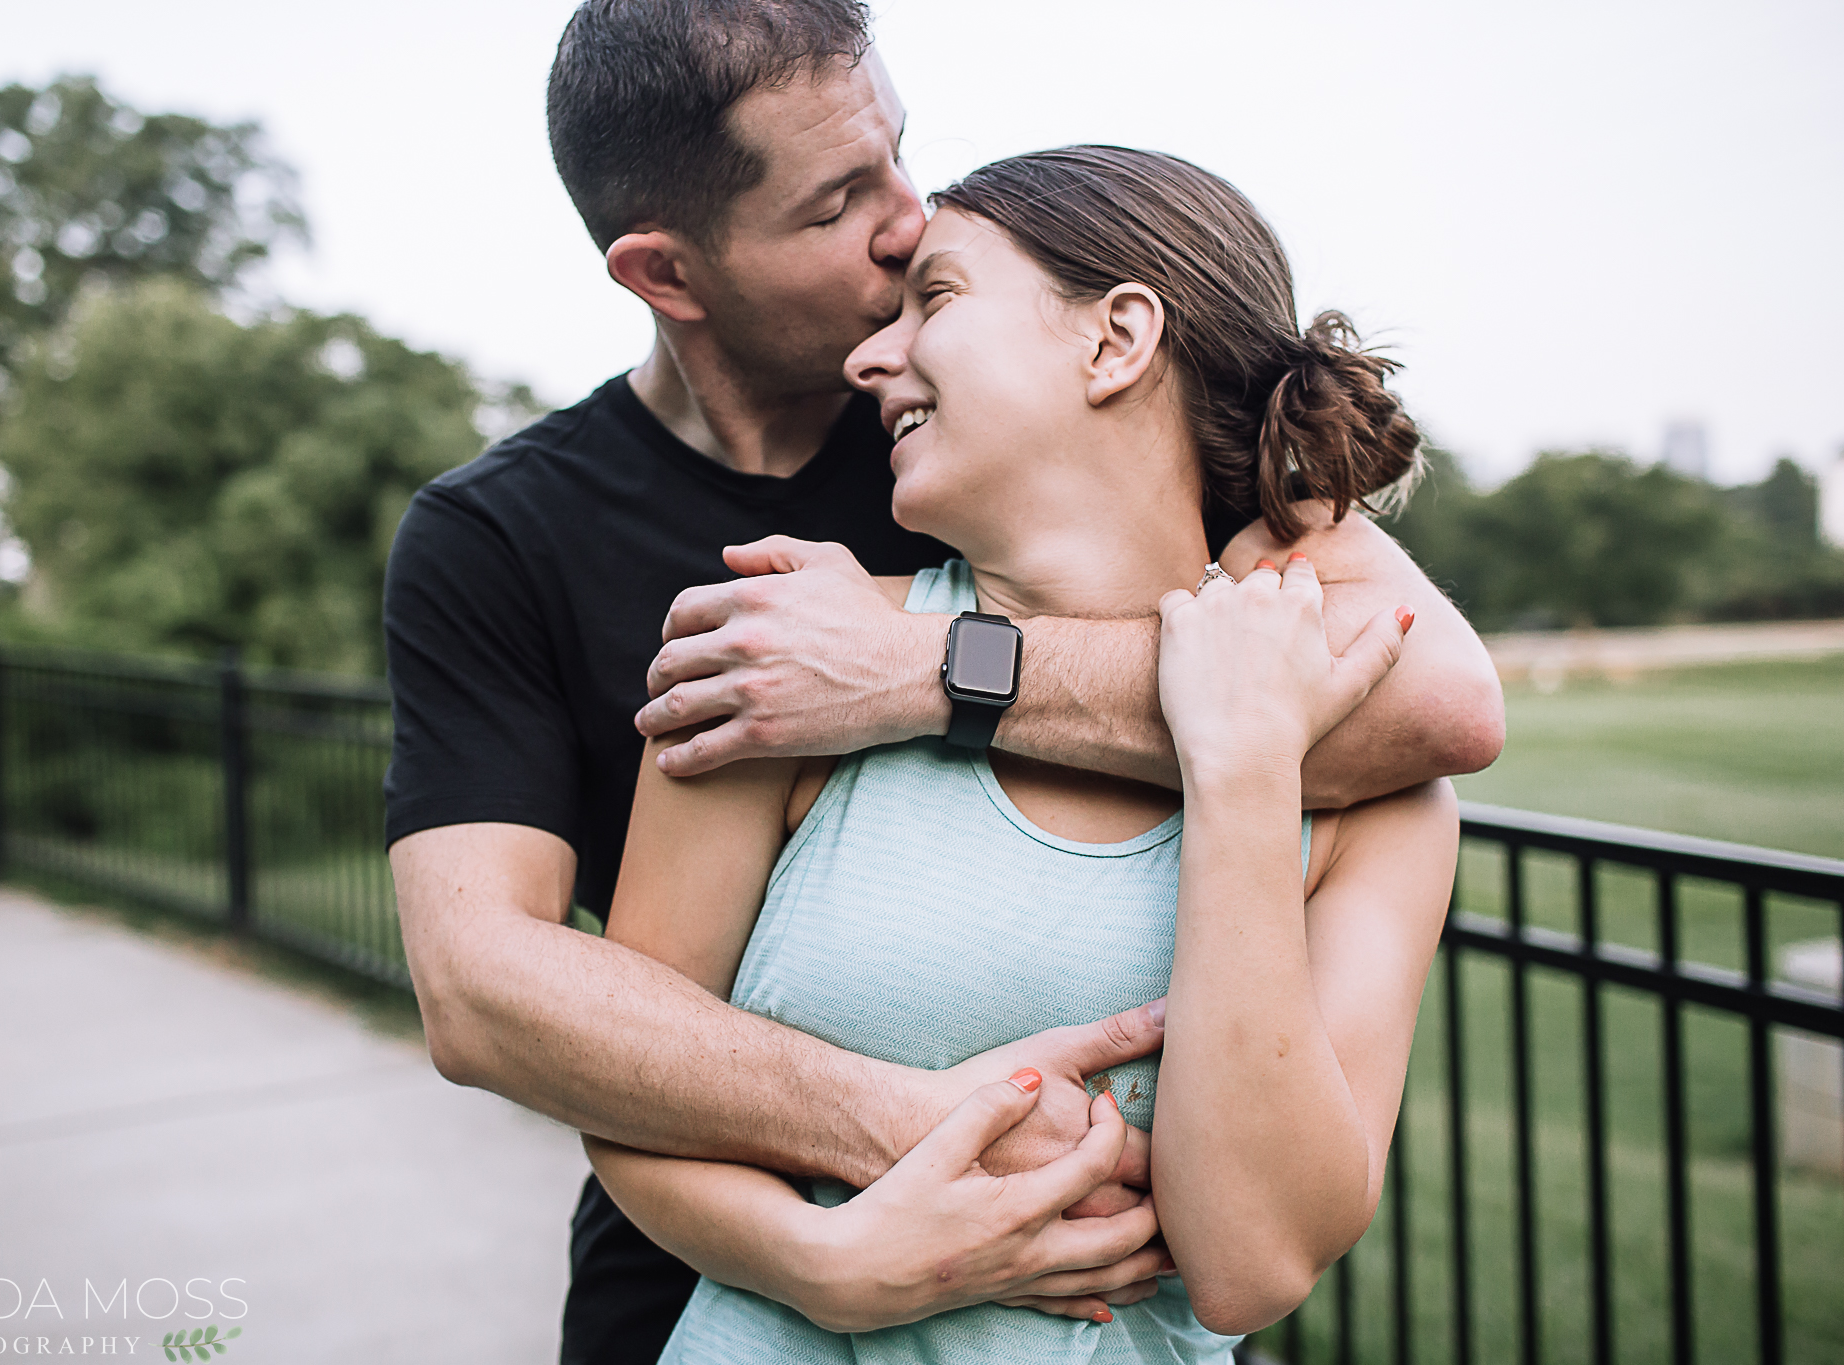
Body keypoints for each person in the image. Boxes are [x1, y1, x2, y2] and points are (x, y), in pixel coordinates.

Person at [383, 4, 1503, 1361]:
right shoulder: (525, 544)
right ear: (669, 273)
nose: (905, 223)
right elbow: (484, 985)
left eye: (897, 159)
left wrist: (923, 669)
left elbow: (1435, 703)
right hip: (697, 1300)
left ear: (1118, 343)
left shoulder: (1037, 468)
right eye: (839, 204)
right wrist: (848, 1228)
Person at [587, 143, 1461, 1364]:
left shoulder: (1376, 805)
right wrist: (824, 1266)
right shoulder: (777, 660)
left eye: (932, 299)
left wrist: (1244, 772)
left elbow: (1250, 1265)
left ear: (1114, 340)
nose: (866, 358)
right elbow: (626, 1090)